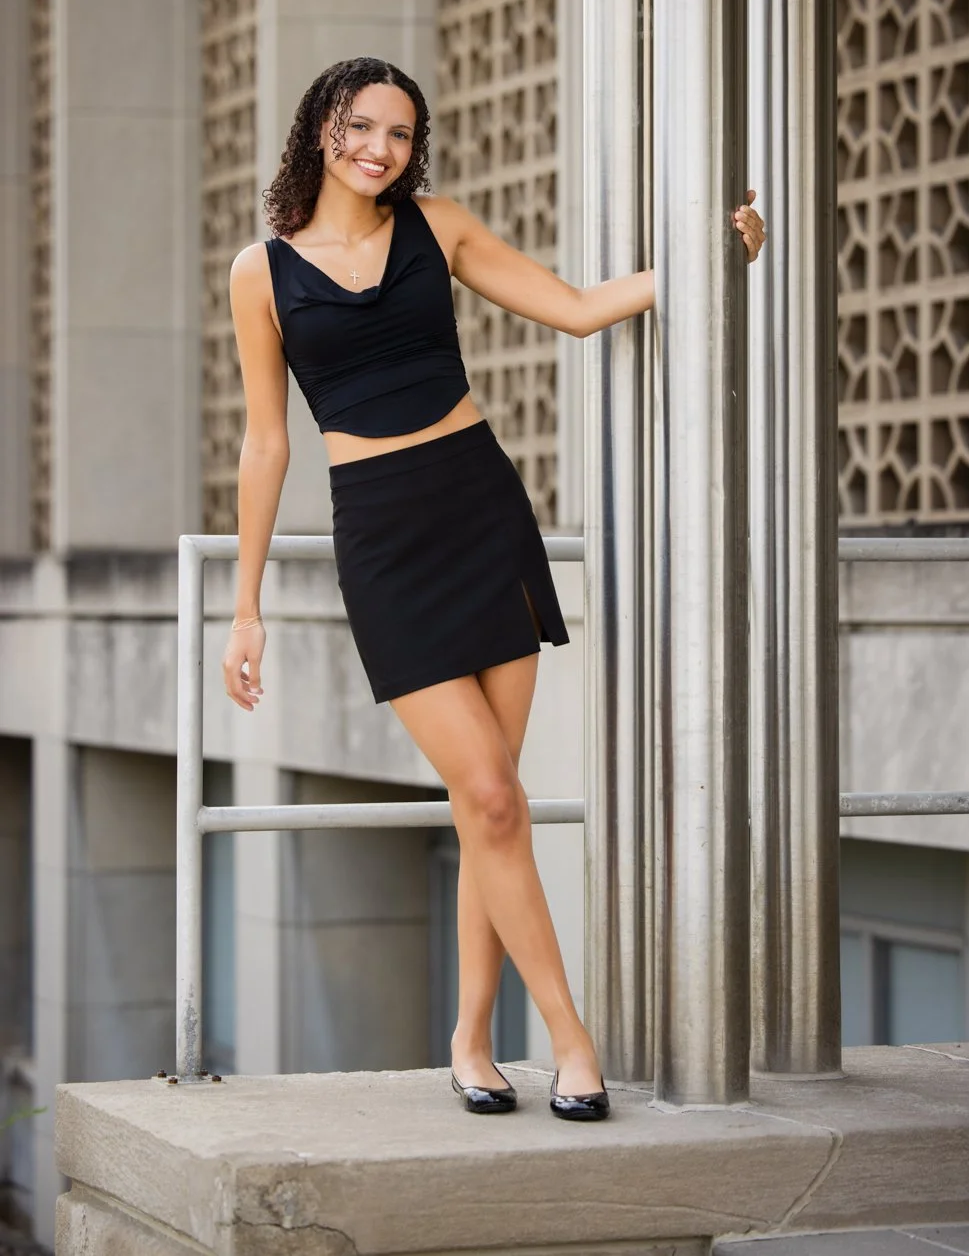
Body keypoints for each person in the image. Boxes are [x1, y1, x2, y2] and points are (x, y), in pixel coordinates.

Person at [222, 56, 766, 1122]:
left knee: (493, 803)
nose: (381, 149)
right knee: (489, 796)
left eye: (401, 134)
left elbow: (570, 308)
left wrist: (709, 261)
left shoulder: (440, 228)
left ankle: (473, 1039)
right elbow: (264, 442)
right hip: (381, 539)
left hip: (480, 509)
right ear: (319, 131)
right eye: (362, 127)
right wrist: (243, 608)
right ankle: (570, 1040)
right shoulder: (262, 272)